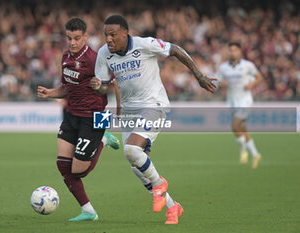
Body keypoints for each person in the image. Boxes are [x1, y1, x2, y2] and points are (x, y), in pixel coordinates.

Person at [90, 14, 216, 224]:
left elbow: (175, 49)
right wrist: (98, 87)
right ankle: (172, 207)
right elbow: (104, 86)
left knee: (132, 150)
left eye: (113, 35)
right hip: (130, 112)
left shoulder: (144, 44)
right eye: (106, 35)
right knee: (136, 165)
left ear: (125, 33)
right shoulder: (104, 54)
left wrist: (199, 75)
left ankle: (159, 184)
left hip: (153, 105)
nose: (108, 39)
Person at [37, 18, 120, 221]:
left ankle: (102, 140)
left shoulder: (94, 59)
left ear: (85, 36)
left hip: (94, 117)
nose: (72, 42)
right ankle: (89, 211)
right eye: (69, 38)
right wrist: (50, 93)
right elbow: (65, 88)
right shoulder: (65, 57)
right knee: (63, 165)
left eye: (76, 38)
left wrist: (99, 87)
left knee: (78, 172)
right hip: (72, 115)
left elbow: (107, 86)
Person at [218, 42, 263, 168]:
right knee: (242, 129)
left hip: (245, 100)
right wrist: (222, 84)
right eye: (231, 50)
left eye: (235, 50)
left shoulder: (248, 65)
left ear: (239, 52)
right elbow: (219, 82)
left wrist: (252, 85)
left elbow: (259, 77)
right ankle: (255, 154)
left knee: (235, 125)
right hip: (232, 101)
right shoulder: (223, 68)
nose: (233, 53)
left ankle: (242, 150)